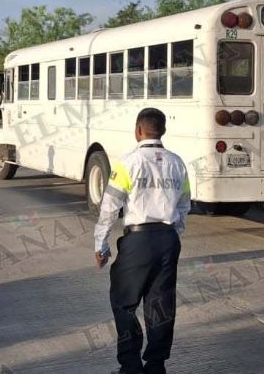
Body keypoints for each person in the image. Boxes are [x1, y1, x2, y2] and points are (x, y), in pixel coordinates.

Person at [93, 108, 191, 374]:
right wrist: (173, 234)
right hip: (168, 240)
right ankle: (156, 365)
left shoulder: (128, 163)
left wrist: (101, 245)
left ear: (138, 130)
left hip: (138, 241)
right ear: (163, 130)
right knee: (161, 303)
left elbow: (109, 207)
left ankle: (131, 365)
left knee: (124, 303)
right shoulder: (178, 163)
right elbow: (184, 205)